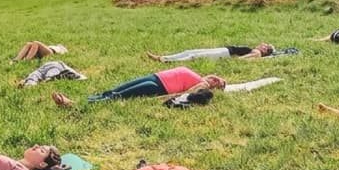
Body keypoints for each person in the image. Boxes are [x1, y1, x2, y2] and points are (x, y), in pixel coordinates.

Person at [52, 66, 226, 106]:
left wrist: (204, 85)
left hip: (156, 87)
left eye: (218, 84)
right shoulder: (196, 73)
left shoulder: (201, 83)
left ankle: (74, 104)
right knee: (113, 90)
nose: (216, 80)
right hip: (154, 77)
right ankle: (85, 100)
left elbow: (186, 94)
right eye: (218, 78)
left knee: (117, 96)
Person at [146, 43, 275, 62]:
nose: (261, 45)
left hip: (225, 54)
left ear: (265, 50)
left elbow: (247, 58)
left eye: (265, 46)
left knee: (195, 56)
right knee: (190, 51)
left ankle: (165, 60)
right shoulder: (256, 49)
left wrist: (235, 60)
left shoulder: (257, 53)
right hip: (224, 50)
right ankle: (163, 57)